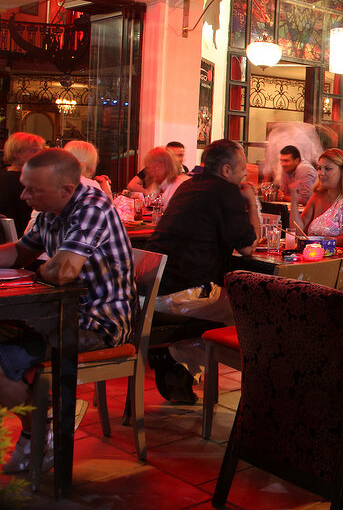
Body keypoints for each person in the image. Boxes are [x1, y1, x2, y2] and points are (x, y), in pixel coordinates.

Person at [0, 148, 135, 473]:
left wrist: (42, 270)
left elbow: (63, 272)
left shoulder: (92, 206)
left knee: (3, 359)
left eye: (33, 189)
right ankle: (39, 423)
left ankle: (39, 434)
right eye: (25, 186)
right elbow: (21, 252)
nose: (24, 195)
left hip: (98, 323)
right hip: (56, 314)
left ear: (65, 190)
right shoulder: (50, 210)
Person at [145, 139, 260, 402]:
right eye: (242, 168)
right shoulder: (226, 192)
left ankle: (180, 366)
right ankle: (180, 359)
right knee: (251, 313)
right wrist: (252, 202)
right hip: (184, 292)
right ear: (227, 170)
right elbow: (248, 248)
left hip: (151, 290)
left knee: (224, 308)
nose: (245, 174)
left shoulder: (188, 186)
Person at [289, 148, 343, 248]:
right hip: (319, 257)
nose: (321, 173)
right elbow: (298, 232)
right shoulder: (318, 196)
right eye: (319, 168)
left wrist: (321, 242)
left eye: (328, 169)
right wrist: (294, 200)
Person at [0, 132, 46, 235]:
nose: (40, 154)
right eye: (34, 151)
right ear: (17, 153)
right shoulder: (31, 181)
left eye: (41, 150)